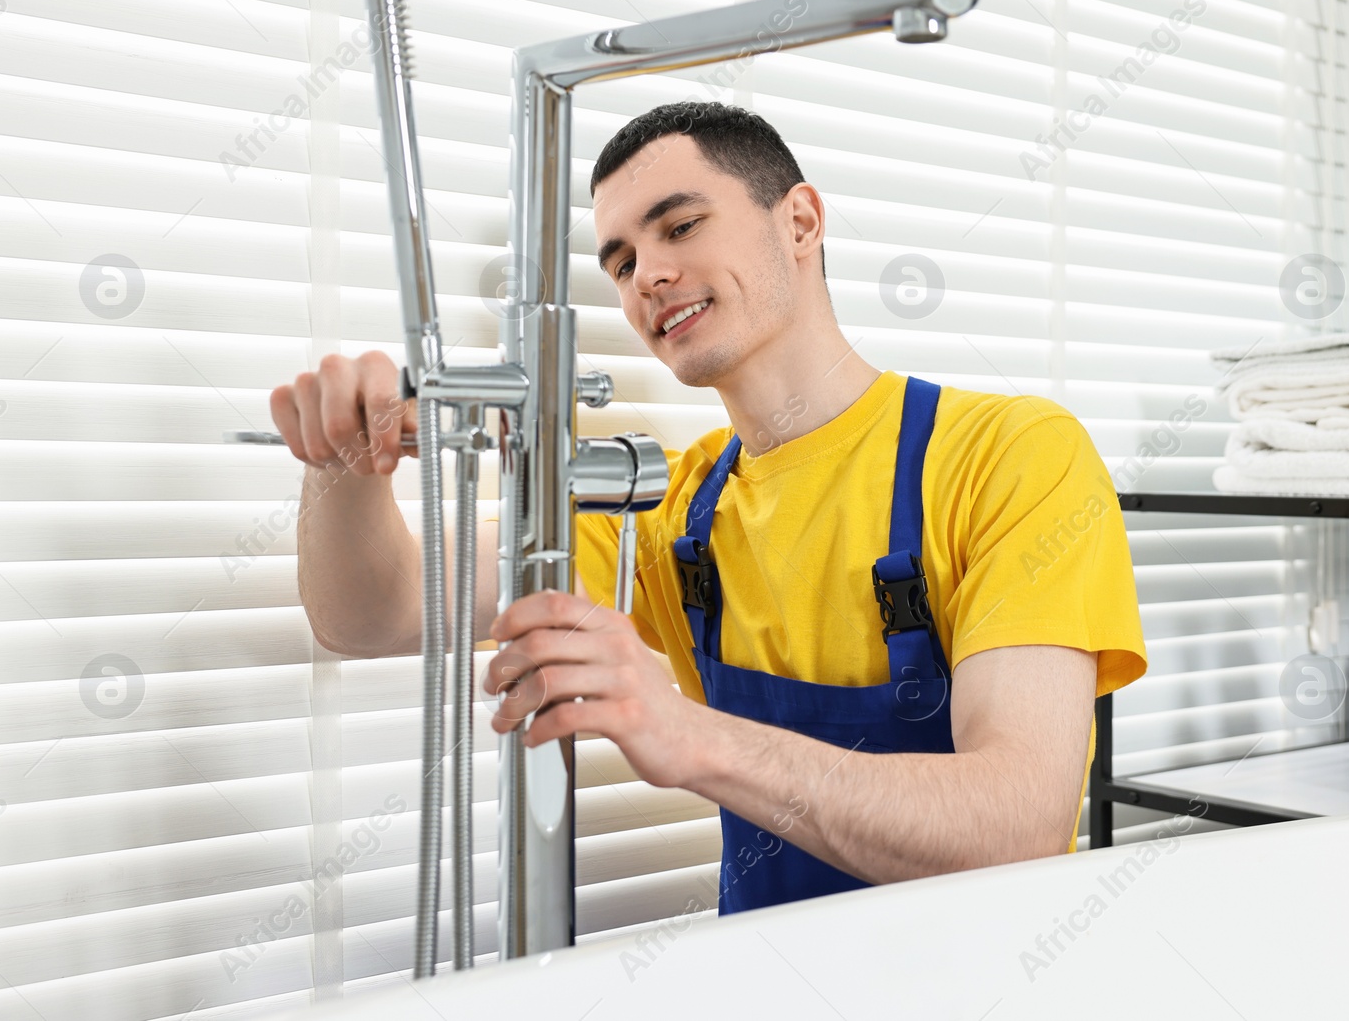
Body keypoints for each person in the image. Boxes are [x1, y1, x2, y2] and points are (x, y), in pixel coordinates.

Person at [273, 101, 1147, 916]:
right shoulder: (675, 511)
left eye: (680, 226)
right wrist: (346, 455)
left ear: (799, 222)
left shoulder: (1010, 456)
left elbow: (1017, 826)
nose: (647, 274)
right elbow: (372, 613)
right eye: (619, 261)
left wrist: (690, 734)